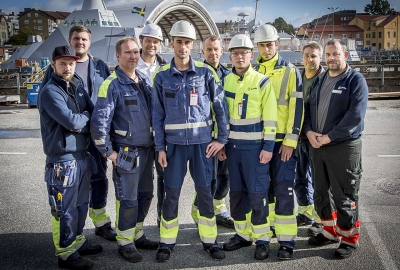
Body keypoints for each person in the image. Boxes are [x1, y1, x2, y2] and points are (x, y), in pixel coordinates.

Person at [152, 20, 229, 262]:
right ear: (171, 43)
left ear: (192, 44)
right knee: (171, 194)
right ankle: (167, 242)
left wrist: (222, 140)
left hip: (202, 146)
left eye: (187, 42)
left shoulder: (207, 74)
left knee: (205, 193)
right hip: (173, 147)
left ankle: (210, 241)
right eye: (179, 42)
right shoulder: (161, 77)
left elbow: (220, 108)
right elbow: (157, 115)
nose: (183, 47)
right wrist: (160, 148)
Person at [41, 25, 115, 241]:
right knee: (67, 198)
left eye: (84, 39)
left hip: (97, 132)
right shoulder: (52, 80)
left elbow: (109, 95)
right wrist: (83, 118)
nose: (80, 42)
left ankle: (99, 223)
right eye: (76, 38)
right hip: (71, 140)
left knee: (98, 177)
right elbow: (60, 113)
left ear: (89, 42)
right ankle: (68, 245)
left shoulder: (99, 66)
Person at [90, 37, 157, 263]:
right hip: (127, 152)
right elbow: (99, 124)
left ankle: (137, 233)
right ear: (117, 56)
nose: (133, 56)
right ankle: (125, 242)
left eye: (136, 52)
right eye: (127, 52)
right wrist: (109, 153)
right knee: (127, 199)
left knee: (146, 195)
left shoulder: (144, 80)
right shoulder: (111, 84)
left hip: (147, 151)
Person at [37, 45, 102, 270]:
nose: (68, 67)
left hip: (82, 157)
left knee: (81, 205)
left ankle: (76, 240)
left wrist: (82, 118)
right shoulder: (50, 92)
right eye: (63, 63)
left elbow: (91, 115)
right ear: (53, 64)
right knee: (64, 208)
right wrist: (83, 117)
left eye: (71, 63)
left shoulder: (77, 86)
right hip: (62, 161)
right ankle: (65, 253)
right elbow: (72, 122)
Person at [305, 39, 368, 259]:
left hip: (343, 147)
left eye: (336, 54)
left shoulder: (355, 80)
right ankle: (330, 230)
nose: (332, 58)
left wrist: (330, 136)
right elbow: (308, 109)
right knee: (321, 193)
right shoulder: (320, 80)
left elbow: (355, 115)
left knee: (345, 194)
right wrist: (309, 132)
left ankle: (349, 238)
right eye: (329, 54)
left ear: (345, 55)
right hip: (318, 145)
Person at [218, 34, 277, 260]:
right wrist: (221, 142)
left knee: (257, 193)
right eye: (235, 53)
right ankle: (242, 235)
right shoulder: (225, 82)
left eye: (244, 53)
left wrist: (268, 146)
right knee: (237, 194)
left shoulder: (261, 82)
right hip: (232, 149)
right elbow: (219, 116)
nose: (240, 57)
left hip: (255, 150)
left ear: (251, 56)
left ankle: (262, 238)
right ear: (230, 56)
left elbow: (271, 118)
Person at [253, 24, 303, 260]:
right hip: (261, 142)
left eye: (269, 44)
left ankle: (286, 241)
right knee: (264, 190)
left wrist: (291, 141)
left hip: (282, 141)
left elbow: (296, 107)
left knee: (284, 188)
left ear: (277, 45)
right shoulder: (253, 70)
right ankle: (268, 231)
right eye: (262, 45)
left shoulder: (290, 71)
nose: (266, 48)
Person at [191, 35, 234, 229]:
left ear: (222, 51)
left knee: (224, 178)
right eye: (209, 49)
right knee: (208, 178)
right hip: (206, 137)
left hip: (225, 137)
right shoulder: (196, 75)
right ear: (202, 52)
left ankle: (219, 210)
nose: (213, 52)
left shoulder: (229, 76)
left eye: (216, 49)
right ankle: (199, 210)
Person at [136, 22, 167, 227]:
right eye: (148, 41)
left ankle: (162, 217)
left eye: (156, 41)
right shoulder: (130, 66)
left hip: (162, 135)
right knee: (140, 183)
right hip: (139, 135)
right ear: (141, 41)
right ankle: (136, 225)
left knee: (165, 177)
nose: (152, 45)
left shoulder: (166, 69)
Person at [295, 41, 325, 236]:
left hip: (316, 137)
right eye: (306, 55)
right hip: (299, 136)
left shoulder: (325, 79)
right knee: (300, 177)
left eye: (313, 56)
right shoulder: (298, 77)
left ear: (320, 57)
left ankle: (321, 219)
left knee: (319, 180)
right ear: (302, 56)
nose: (309, 59)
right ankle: (305, 211)